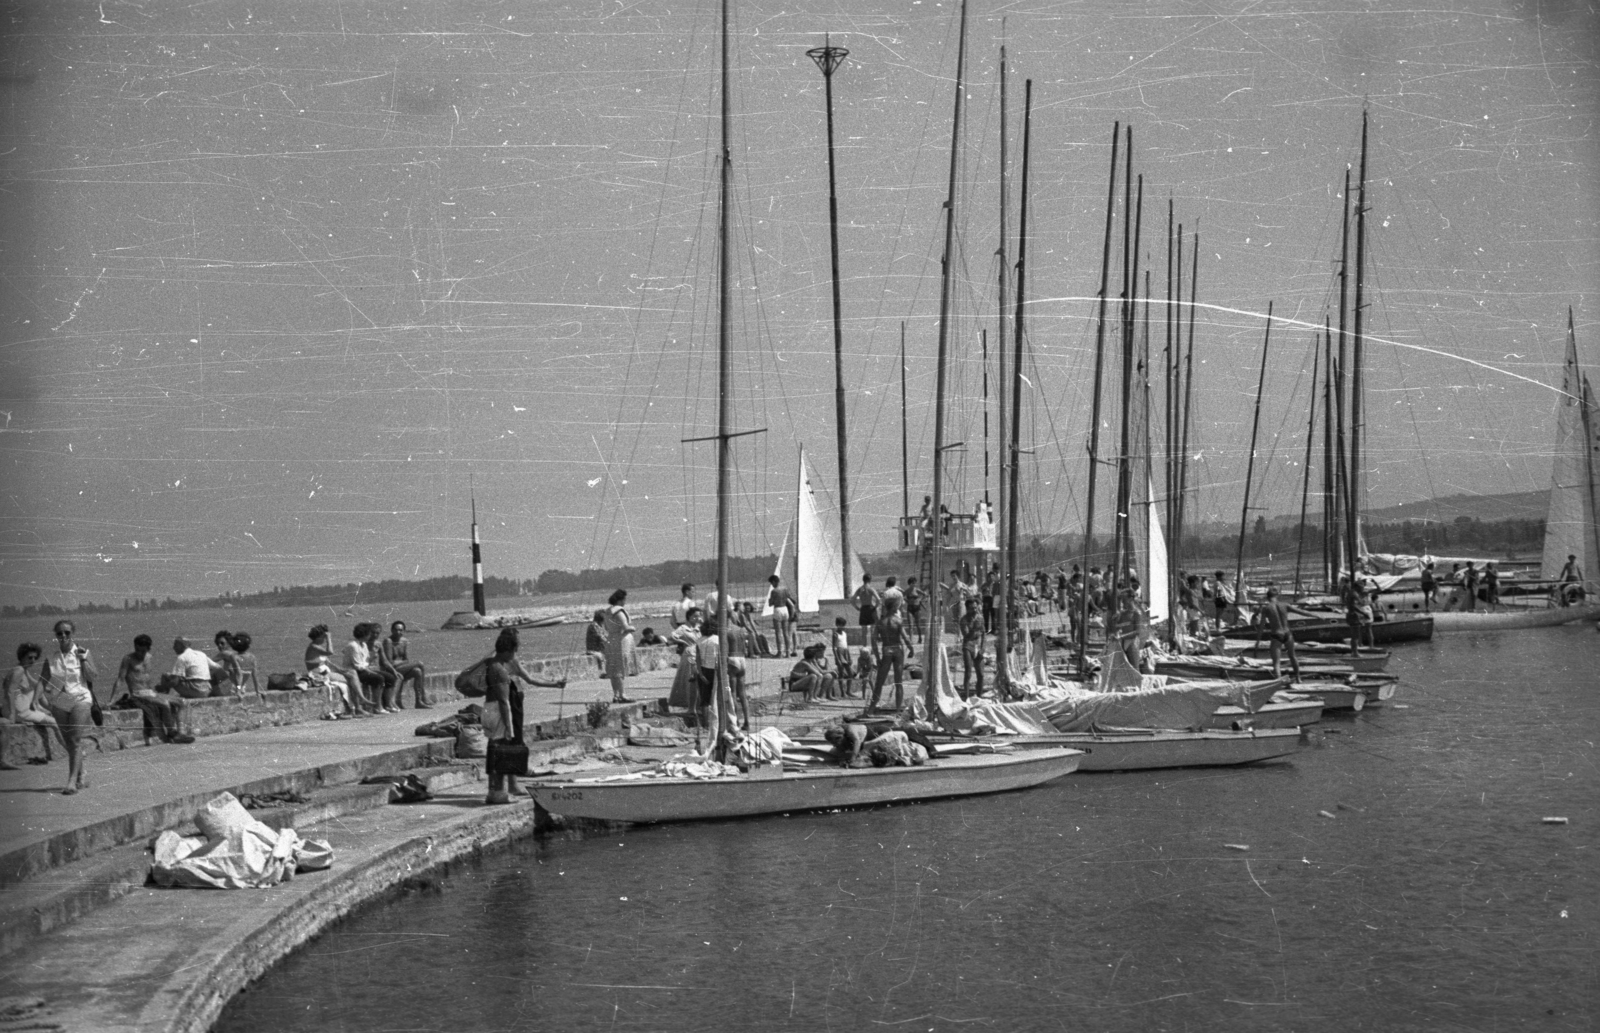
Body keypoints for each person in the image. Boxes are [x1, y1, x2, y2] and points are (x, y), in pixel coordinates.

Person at [38, 620, 99, 795]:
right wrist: (34, 702)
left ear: (73, 633)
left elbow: (92, 676)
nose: (63, 636)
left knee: (75, 740)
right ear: (56, 635)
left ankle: (71, 782)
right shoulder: (52, 657)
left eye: (67, 632)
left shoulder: (83, 652)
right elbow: (43, 681)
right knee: (69, 741)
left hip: (81, 698)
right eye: (59, 633)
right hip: (61, 701)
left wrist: (84, 660)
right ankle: (80, 774)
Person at [481, 629, 532, 806]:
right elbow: (504, 702)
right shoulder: (500, 670)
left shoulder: (491, 664)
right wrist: (509, 728)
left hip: (489, 709)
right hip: (497, 711)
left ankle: (494, 791)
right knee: (499, 751)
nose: (514, 656)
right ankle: (497, 792)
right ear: (507, 651)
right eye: (513, 651)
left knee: (494, 750)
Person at [111, 634, 192, 744]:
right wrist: (112, 700)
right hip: (137, 693)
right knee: (164, 703)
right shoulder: (128, 659)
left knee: (182, 702)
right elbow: (120, 679)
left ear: (148, 649)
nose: (140, 653)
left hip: (151, 692)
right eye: (137, 650)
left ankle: (181, 733)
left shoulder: (149, 657)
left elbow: (148, 678)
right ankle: (172, 732)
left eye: (143, 651)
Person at [5, 642, 66, 763]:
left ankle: (45, 709)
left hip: (16, 707)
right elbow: (9, 692)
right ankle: (70, 750)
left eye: (35, 657)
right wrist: (12, 714)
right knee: (54, 722)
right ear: (22, 656)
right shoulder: (19, 672)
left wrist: (46, 688)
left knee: (38, 689)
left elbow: (34, 682)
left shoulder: (21, 669)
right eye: (29, 657)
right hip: (19, 711)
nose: (33, 660)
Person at [869, 596, 913, 713]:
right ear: (893, 607)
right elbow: (906, 638)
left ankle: (871, 709)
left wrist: (878, 657)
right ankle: (898, 711)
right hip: (898, 649)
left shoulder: (880, 622)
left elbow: (873, 641)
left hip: (886, 650)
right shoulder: (898, 621)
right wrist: (911, 649)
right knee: (898, 682)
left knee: (879, 682)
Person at [304, 624, 355, 718]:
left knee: (352, 674)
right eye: (323, 636)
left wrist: (341, 670)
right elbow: (330, 652)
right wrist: (329, 638)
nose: (324, 638)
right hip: (319, 675)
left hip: (325, 672)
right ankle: (354, 708)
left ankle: (355, 707)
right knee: (351, 679)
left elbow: (329, 663)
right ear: (319, 636)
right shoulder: (314, 647)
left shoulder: (318, 647)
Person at [1253, 587, 1303, 681]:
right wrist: (1316, 615)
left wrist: (1257, 643)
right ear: (1277, 596)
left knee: (1276, 662)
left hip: (1276, 634)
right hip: (1287, 633)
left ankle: (1279, 682)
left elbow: (1261, 626)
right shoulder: (1285, 605)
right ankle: (1298, 678)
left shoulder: (1266, 608)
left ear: (1267, 597)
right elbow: (1301, 611)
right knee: (1292, 656)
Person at [337, 624, 387, 714]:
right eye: (369, 634)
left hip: (361, 669)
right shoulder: (353, 645)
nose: (370, 636)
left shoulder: (363, 645)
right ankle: (376, 706)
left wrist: (371, 659)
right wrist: (370, 671)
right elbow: (358, 666)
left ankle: (378, 705)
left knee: (387, 677)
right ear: (365, 634)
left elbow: (366, 661)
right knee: (379, 678)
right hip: (352, 671)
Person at [381, 621, 429, 708]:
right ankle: (424, 695)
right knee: (420, 664)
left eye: (400, 630)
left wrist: (403, 662)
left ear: (404, 631)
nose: (398, 632)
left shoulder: (404, 641)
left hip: (401, 669)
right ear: (392, 630)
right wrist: (404, 662)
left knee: (417, 671)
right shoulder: (388, 641)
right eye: (396, 630)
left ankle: (418, 701)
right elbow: (390, 662)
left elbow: (407, 659)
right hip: (391, 670)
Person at [602, 589, 636, 705]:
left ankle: (616, 694)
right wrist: (633, 628)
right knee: (620, 668)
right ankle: (622, 694)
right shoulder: (619, 611)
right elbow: (625, 627)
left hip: (611, 639)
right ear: (621, 599)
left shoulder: (607, 611)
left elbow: (606, 627)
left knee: (613, 668)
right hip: (621, 640)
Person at [666, 608, 703, 711]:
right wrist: (682, 642)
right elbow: (671, 637)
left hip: (699, 653)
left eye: (698, 616)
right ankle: (687, 703)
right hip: (690, 653)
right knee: (689, 678)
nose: (697, 618)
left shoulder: (700, 627)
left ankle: (698, 703)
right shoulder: (683, 628)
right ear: (689, 617)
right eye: (694, 616)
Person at [365, 623, 401, 711]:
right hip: (367, 669)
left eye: (377, 633)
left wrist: (393, 671)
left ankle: (389, 703)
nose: (375, 635)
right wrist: (373, 653)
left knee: (392, 677)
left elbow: (385, 661)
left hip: (377, 669)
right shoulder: (364, 644)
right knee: (380, 678)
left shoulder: (378, 644)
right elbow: (363, 662)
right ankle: (378, 706)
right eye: (373, 633)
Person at [959, 598, 986, 698]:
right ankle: (966, 698)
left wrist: (982, 648)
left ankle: (979, 696)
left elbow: (983, 634)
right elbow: (966, 636)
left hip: (978, 645)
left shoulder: (980, 617)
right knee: (968, 673)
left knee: (981, 674)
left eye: (976, 608)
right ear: (967, 609)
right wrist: (974, 628)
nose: (975, 610)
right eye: (972, 608)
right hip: (968, 646)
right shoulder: (964, 620)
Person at [1341, 576, 1374, 657]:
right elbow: (1354, 606)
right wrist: (1364, 613)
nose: (1362, 588)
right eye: (1361, 587)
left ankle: (1354, 651)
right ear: (1357, 587)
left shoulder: (1352, 593)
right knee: (1355, 636)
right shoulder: (1354, 594)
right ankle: (1355, 652)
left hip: (1353, 615)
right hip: (1354, 615)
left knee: (1355, 635)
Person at [767, 574, 797, 657]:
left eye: (771, 583)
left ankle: (779, 653)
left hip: (778, 609)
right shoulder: (785, 589)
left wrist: (770, 600)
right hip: (785, 610)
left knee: (778, 633)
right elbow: (789, 599)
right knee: (786, 633)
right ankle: (787, 653)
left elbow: (770, 603)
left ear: (773, 582)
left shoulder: (774, 591)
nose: (772, 585)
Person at [851, 573, 881, 651]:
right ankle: (873, 650)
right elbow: (878, 599)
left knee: (864, 632)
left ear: (863, 580)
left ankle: (864, 649)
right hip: (871, 608)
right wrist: (875, 606)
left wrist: (857, 607)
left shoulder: (859, 589)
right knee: (873, 630)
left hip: (863, 608)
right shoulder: (871, 589)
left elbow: (852, 600)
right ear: (870, 580)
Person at [228, 632, 261, 698]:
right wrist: (257, 690)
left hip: (234, 686)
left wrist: (238, 690)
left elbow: (239, 674)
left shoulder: (234, 656)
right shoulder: (252, 657)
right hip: (242, 686)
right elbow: (255, 675)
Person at [210, 630, 241, 697]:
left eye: (222, 643)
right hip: (240, 688)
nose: (219, 646)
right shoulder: (236, 653)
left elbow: (207, 662)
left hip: (232, 689)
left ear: (229, 643)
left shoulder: (224, 654)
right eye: (218, 644)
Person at [905, 577, 926, 643]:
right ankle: (911, 640)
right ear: (909, 583)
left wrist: (920, 599)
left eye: (914, 583)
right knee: (910, 625)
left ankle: (920, 638)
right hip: (910, 608)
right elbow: (902, 596)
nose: (913, 584)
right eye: (912, 583)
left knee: (918, 625)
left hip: (917, 608)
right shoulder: (907, 590)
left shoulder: (916, 590)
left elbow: (924, 594)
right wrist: (907, 601)